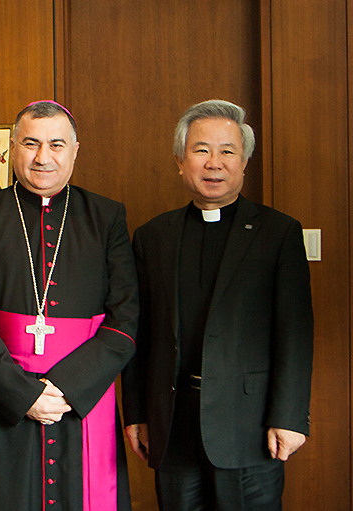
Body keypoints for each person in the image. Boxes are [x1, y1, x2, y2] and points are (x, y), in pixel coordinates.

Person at [0, 100, 139, 510]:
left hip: (80, 398)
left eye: (56, 145)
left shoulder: (106, 217)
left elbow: (125, 319)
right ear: (12, 147)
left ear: (75, 150)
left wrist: (66, 388)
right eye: (31, 144)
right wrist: (23, 395)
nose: (43, 157)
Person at [122, 99, 314, 510]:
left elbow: (295, 333)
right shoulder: (153, 236)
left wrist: (290, 417)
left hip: (250, 425)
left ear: (244, 162)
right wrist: (135, 413)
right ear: (180, 160)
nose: (215, 163)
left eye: (227, 151)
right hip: (172, 425)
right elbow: (139, 333)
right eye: (201, 150)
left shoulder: (278, 233)